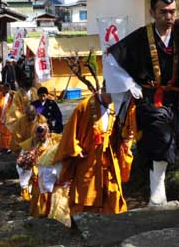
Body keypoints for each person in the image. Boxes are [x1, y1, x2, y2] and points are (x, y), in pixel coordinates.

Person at [104, 0, 179, 206]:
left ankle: (154, 185)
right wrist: (130, 84)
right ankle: (157, 190)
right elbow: (111, 58)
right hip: (148, 98)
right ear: (152, 12)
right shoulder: (139, 37)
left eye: (172, 11)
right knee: (159, 136)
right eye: (163, 12)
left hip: (175, 99)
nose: (168, 16)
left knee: (170, 141)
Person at [53, 84, 134, 215]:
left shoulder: (116, 107)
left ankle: (112, 224)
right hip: (89, 159)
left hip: (109, 160)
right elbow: (70, 132)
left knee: (113, 194)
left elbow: (121, 132)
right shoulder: (84, 107)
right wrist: (76, 148)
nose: (114, 99)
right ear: (104, 90)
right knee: (86, 195)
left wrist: (125, 139)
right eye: (113, 95)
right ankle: (83, 225)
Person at [18, 124, 63, 218]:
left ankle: (53, 215)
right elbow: (23, 166)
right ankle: (39, 214)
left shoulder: (56, 140)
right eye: (39, 136)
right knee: (38, 196)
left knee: (55, 196)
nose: (41, 138)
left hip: (54, 174)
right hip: (38, 176)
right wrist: (24, 184)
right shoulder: (30, 144)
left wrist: (60, 175)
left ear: (48, 133)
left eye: (43, 135)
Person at [0, 83, 15, 152]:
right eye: (5, 88)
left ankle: (8, 146)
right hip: (1, 117)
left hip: (10, 117)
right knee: (2, 133)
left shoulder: (12, 95)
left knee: (9, 133)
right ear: (3, 88)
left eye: (8, 88)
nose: (6, 90)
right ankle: (3, 146)